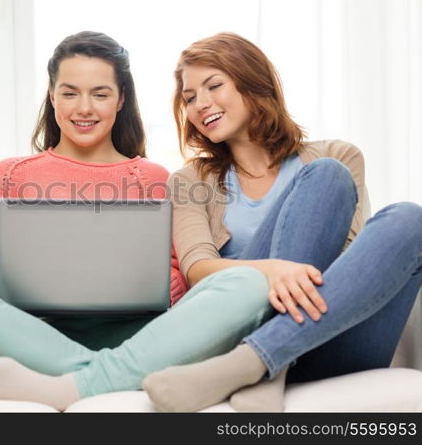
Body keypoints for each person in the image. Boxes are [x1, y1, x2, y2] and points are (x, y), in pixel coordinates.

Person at [0, 31, 275, 411]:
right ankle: (113, 377)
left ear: (121, 99)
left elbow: (176, 286)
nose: (84, 108)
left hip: (139, 333)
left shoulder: (155, 177)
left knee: (245, 283)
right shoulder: (10, 173)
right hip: (33, 334)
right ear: (52, 95)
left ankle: (71, 383)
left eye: (101, 94)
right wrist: (31, 281)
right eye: (70, 92)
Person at [142, 32, 422, 412]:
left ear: (252, 81)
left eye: (213, 86)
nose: (200, 104)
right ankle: (266, 359)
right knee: (329, 175)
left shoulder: (339, 155)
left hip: (328, 334)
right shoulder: (191, 180)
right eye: (189, 98)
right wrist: (271, 270)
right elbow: (198, 271)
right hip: (240, 327)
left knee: (408, 217)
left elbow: (349, 267)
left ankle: (258, 364)